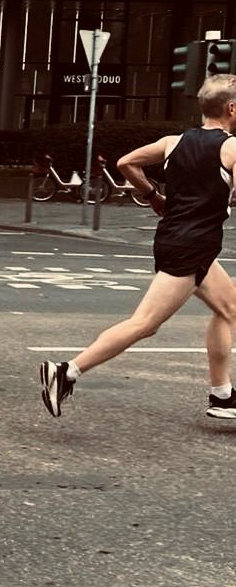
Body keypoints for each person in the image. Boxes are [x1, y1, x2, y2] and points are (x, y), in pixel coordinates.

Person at [40, 74, 236, 420]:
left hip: (182, 241)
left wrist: (153, 196)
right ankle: (66, 371)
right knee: (145, 324)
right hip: (190, 247)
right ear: (232, 108)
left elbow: (125, 163)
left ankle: (222, 394)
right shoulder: (231, 147)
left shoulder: (173, 142)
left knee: (230, 308)